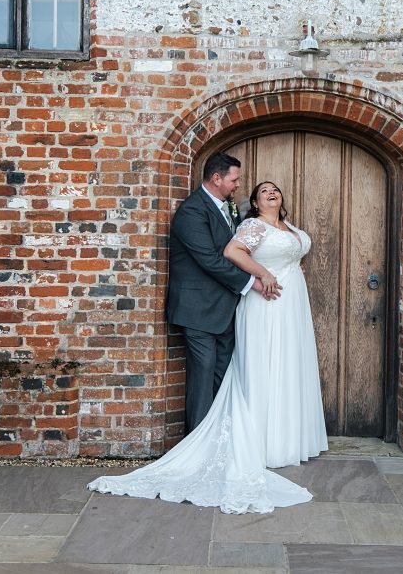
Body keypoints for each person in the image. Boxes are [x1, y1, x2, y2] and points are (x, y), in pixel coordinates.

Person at [88, 180, 328, 513]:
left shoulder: (290, 228)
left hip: (292, 304)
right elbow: (232, 252)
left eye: (275, 189)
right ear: (255, 203)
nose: (271, 193)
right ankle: (261, 442)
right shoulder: (252, 226)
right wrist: (263, 275)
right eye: (263, 191)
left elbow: (290, 253)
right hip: (266, 301)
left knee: (289, 366)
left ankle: (288, 438)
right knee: (263, 365)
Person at [162, 153, 275, 434]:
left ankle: (218, 438)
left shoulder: (230, 208)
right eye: (234, 179)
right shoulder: (191, 212)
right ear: (216, 178)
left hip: (225, 309)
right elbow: (210, 260)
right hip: (198, 311)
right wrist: (252, 282)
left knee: (222, 377)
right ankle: (197, 443)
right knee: (202, 380)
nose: (238, 185)